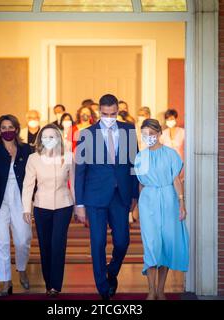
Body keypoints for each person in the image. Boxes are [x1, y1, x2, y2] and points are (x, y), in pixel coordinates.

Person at [75, 94, 139, 300]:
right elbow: (80, 171)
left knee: (122, 241)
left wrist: (134, 194)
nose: (109, 117)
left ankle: (112, 271)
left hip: (120, 196)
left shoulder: (128, 130)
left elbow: (133, 165)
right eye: (105, 114)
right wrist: (80, 204)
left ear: (118, 111)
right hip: (94, 197)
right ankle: (103, 288)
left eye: (113, 114)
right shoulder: (86, 134)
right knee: (98, 242)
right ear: (98, 112)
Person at [134, 119, 189, 300]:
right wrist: (135, 208)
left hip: (168, 200)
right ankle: (150, 290)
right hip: (148, 201)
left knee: (165, 245)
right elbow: (140, 184)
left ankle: (160, 290)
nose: (148, 138)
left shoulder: (171, 154)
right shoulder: (140, 157)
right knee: (151, 245)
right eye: (144, 135)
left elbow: (176, 180)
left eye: (151, 134)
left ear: (158, 134)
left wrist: (181, 203)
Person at [22, 124, 75, 297]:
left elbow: (73, 183)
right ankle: (48, 283)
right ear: (40, 139)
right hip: (41, 206)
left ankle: (55, 286)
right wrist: (26, 209)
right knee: (45, 245)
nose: (48, 140)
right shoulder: (33, 158)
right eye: (45, 137)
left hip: (64, 205)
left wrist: (78, 206)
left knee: (58, 244)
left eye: (52, 136)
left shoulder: (68, 156)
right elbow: (28, 185)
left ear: (58, 138)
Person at [0, 114, 32, 297]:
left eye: (10, 127)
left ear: (17, 129)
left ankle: (22, 269)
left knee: (23, 238)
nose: (7, 130)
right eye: (3, 127)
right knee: (0, 241)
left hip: (21, 198)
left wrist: (31, 202)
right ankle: (6, 281)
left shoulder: (26, 149)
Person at [160, 109, 185, 181]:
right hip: (167, 165)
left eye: (171, 119)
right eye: (168, 119)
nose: (170, 121)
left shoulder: (183, 132)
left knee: (179, 185)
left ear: (175, 119)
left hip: (180, 165)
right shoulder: (163, 134)